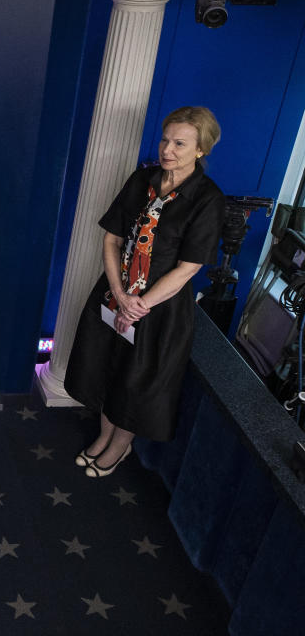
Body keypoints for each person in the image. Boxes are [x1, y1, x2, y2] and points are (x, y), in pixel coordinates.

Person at [65, 106, 225, 477]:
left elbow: (190, 267)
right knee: (107, 368)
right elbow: (111, 238)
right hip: (115, 294)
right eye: (165, 139)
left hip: (158, 310)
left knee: (136, 382)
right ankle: (104, 437)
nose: (168, 149)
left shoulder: (207, 199)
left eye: (180, 143)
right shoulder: (142, 181)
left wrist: (139, 305)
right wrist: (120, 294)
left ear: (200, 149)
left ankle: (120, 447)